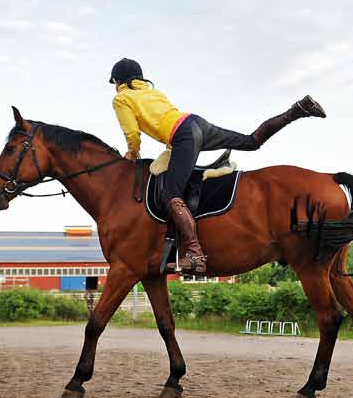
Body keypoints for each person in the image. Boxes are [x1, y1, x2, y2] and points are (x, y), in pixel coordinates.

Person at [109, 57, 326, 274]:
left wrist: (132, 153)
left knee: (170, 195)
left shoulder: (121, 99)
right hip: (196, 123)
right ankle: (298, 109)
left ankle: (194, 253)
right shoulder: (152, 92)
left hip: (183, 135)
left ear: (118, 81)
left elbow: (132, 133)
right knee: (251, 142)